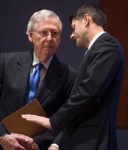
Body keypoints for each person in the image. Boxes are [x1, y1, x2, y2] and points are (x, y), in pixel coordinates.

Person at [22, 3, 125, 150]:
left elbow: (88, 93)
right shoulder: (99, 48)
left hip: (93, 140)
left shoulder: (107, 46)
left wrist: (52, 121)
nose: (71, 35)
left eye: (74, 27)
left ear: (86, 20)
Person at [0, 9, 76, 150]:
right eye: (43, 33)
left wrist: (36, 144)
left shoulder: (69, 76)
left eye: (55, 33)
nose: (49, 38)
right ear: (30, 35)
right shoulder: (5, 62)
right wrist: (2, 137)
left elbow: (66, 119)